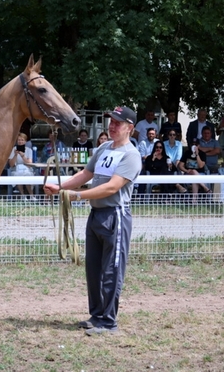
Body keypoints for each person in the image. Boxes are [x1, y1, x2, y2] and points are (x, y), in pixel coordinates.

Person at [44, 106, 141, 336]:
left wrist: (77, 195)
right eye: (111, 121)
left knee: (112, 270)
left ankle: (109, 322)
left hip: (115, 215)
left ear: (130, 128)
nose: (112, 125)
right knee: (94, 269)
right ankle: (96, 315)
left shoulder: (131, 155)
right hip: (97, 215)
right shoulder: (104, 148)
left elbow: (111, 187)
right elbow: (85, 174)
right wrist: (60, 187)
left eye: (118, 122)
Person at [7, 133, 36, 200]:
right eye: (19, 140)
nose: (20, 141)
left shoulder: (29, 150)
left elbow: (30, 163)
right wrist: (15, 155)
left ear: (25, 141)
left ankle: (31, 195)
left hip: (27, 169)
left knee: (27, 175)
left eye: (22, 140)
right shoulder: (13, 150)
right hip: (16, 169)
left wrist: (23, 156)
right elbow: (11, 164)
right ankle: (22, 195)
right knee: (18, 175)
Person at [137, 128, 159, 194]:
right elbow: (143, 156)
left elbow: (160, 154)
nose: (151, 135)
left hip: (157, 163)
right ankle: (141, 195)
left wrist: (152, 156)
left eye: (152, 134)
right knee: (142, 173)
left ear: (155, 135)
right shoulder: (142, 143)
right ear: (146, 135)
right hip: (146, 163)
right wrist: (153, 156)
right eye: (149, 134)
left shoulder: (158, 142)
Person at [163, 129, 186, 193]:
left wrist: (174, 167)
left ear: (176, 136)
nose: (172, 136)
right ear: (168, 136)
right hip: (166, 164)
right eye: (170, 135)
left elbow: (179, 156)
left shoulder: (179, 144)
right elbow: (166, 156)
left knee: (175, 171)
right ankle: (178, 185)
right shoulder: (164, 144)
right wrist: (170, 165)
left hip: (176, 164)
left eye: (174, 135)